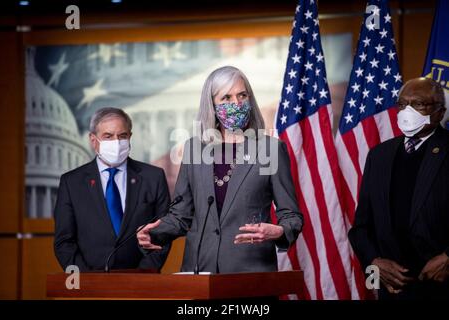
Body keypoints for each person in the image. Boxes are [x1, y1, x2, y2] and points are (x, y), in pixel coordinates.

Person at [137, 66, 303, 274]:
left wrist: (280, 231)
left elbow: (291, 215)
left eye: (242, 95)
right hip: (200, 271)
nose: (236, 103)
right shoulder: (194, 149)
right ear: (212, 105)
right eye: (226, 98)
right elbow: (181, 215)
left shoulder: (270, 149)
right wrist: (154, 233)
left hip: (250, 271)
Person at [349, 77, 449, 299]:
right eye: (403, 104)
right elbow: (361, 227)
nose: (408, 111)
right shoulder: (379, 155)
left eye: (419, 104)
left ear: (440, 112)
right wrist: (375, 263)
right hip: (392, 290)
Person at [54, 107, 171, 272]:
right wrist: (86, 279)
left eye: (122, 136)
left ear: (130, 137)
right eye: (108, 136)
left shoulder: (153, 177)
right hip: (89, 284)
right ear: (93, 140)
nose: (116, 142)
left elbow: (163, 235)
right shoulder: (72, 182)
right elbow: (64, 241)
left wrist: (143, 276)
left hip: (141, 283)